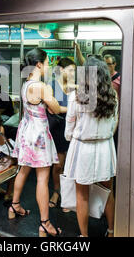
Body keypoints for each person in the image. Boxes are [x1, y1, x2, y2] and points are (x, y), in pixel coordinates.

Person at [9, 48, 63, 237]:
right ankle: (44, 223)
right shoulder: (41, 86)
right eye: (48, 62)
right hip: (39, 135)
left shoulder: (26, 85)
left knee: (23, 170)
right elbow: (55, 109)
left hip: (26, 132)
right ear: (39, 64)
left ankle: (14, 206)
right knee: (42, 178)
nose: (49, 66)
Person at [64, 56, 119, 237]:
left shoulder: (76, 97)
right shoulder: (113, 96)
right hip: (105, 148)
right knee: (107, 192)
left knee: (82, 195)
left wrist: (71, 136)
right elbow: (113, 126)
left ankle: (84, 236)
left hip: (83, 149)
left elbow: (69, 129)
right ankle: (111, 231)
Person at [48, 58, 76, 212]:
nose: (73, 73)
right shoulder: (51, 86)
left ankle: (67, 196)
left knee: (70, 166)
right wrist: (71, 108)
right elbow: (54, 109)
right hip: (57, 129)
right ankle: (56, 192)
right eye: (70, 70)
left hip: (72, 129)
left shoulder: (73, 88)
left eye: (74, 71)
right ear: (61, 70)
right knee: (58, 165)